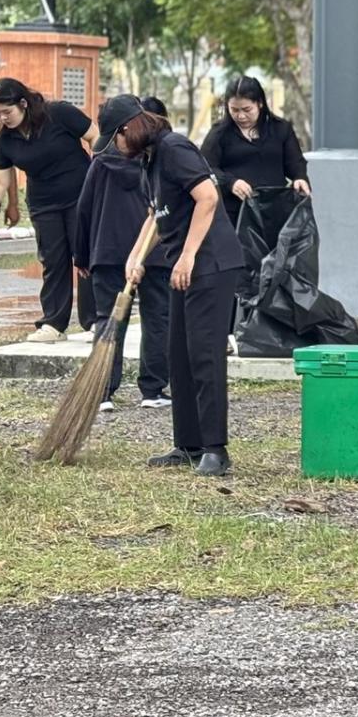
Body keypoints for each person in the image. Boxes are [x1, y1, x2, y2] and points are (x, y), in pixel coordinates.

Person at [108, 95, 245, 477]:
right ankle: (188, 444)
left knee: (203, 354)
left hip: (211, 264)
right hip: (183, 267)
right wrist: (135, 257)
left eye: (115, 138)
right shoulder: (149, 160)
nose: (115, 147)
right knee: (179, 355)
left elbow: (207, 198)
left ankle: (215, 449)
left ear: (128, 129)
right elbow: (157, 214)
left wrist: (187, 256)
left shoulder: (174, 148)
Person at [0, 79, 97, 343]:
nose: (2, 118)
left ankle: (95, 320)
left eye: (7, 112)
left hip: (80, 197)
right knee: (53, 261)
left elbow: (94, 136)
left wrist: (100, 173)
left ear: (23, 104)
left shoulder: (58, 113)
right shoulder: (2, 137)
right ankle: (53, 323)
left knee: (85, 257)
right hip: (43, 204)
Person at [75, 115, 173, 412]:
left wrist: (82, 255)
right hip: (154, 252)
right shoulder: (154, 163)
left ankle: (103, 391)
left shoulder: (100, 164)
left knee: (108, 318)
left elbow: (84, 209)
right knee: (158, 318)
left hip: (108, 250)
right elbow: (166, 208)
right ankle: (153, 389)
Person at [199, 76, 310, 232]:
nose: (241, 116)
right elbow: (205, 167)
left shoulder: (280, 129)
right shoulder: (219, 133)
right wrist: (230, 182)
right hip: (235, 216)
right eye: (234, 110)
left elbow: (295, 163)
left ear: (260, 103)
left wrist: (300, 178)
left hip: (274, 212)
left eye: (247, 109)